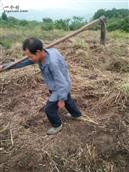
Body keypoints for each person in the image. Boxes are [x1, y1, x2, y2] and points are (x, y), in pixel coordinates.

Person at [0, 38, 82, 135]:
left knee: (49, 108)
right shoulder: (45, 53)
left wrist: (61, 99)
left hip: (60, 87)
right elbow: (24, 62)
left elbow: (62, 83)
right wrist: (4, 67)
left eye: (30, 56)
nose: (29, 59)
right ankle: (76, 114)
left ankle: (57, 125)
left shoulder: (52, 63)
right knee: (68, 99)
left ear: (38, 52)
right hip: (62, 83)